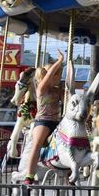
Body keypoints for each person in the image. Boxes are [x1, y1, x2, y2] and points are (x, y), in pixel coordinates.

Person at [16, 52, 66, 184]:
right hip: (43, 121)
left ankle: (69, 173)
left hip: (57, 122)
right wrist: (60, 61)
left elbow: (68, 101)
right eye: (57, 74)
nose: (59, 77)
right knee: (37, 144)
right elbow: (49, 76)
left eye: (60, 75)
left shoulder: (57, 91)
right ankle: (29, 175)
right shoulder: (41, 89)